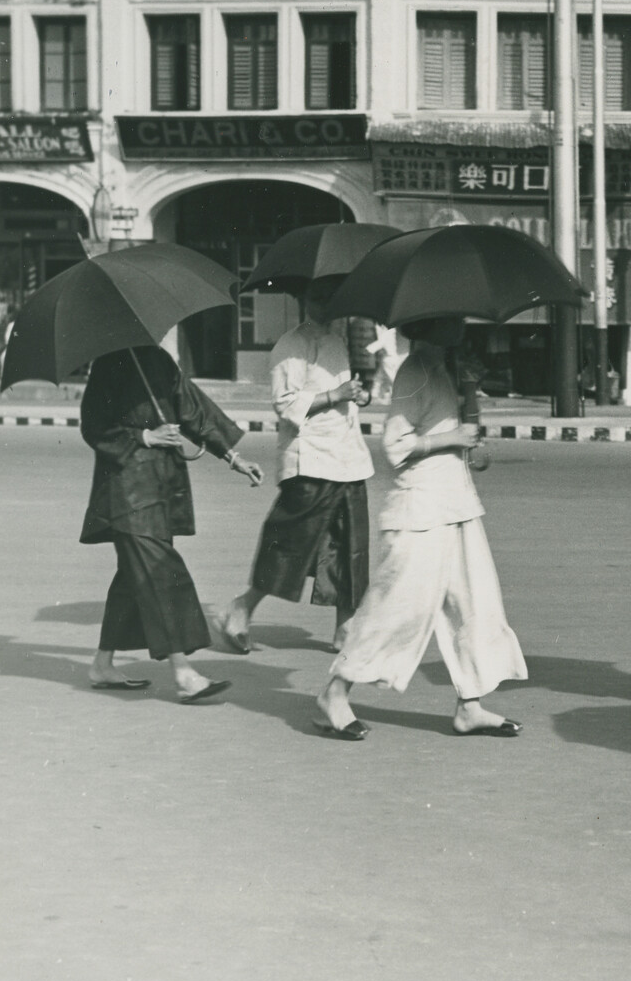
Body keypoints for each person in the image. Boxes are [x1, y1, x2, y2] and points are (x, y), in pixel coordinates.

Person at [314, 316, 527, 741]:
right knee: (397, 611)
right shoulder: (414, 371)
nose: (462, 328)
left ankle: (470, 705)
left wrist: (469, 400)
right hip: (418, 513)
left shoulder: (445, 369)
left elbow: (459, 438)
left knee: (476, 605)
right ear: (429, 327)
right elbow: (396, 445)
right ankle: (334, 693)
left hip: (456, 506)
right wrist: (451, 440)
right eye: (454, 322)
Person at [79, 344, 262, 701]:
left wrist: (232, 457)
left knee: (133, 579)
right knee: (162, 573)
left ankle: (102, 664)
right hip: (127, 490)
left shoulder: (159, 360)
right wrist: (144, 436)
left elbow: (194, 410)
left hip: (160, 486)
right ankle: (183, 672)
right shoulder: (107, 362)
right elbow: (93, 425)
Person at [222, 277, 374, 657]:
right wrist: (334, 395)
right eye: (318, 297)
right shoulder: (291, 345)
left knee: (350, 547)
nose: (326, 304)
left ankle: (345, 628)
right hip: (311, 459)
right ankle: (242, 608)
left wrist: (357, 394)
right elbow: (284, 404)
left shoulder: (339, 341)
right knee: (289, 545)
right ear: (303, 299)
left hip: (348, 458)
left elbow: (344, 393)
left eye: (331, 297)